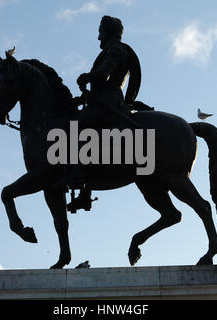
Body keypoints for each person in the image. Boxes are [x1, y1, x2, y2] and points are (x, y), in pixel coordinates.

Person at [66, 15, 142, 212]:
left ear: (108, 32)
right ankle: (85, 191)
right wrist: (82, 99)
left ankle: (78, 176)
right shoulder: (112, 49)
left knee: (75, 126)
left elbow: (104, 74)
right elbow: (101, 84)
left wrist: (86, 76)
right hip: (101, 99)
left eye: (100, 31)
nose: (98, 36)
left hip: (109, 101)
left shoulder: (115, 49)